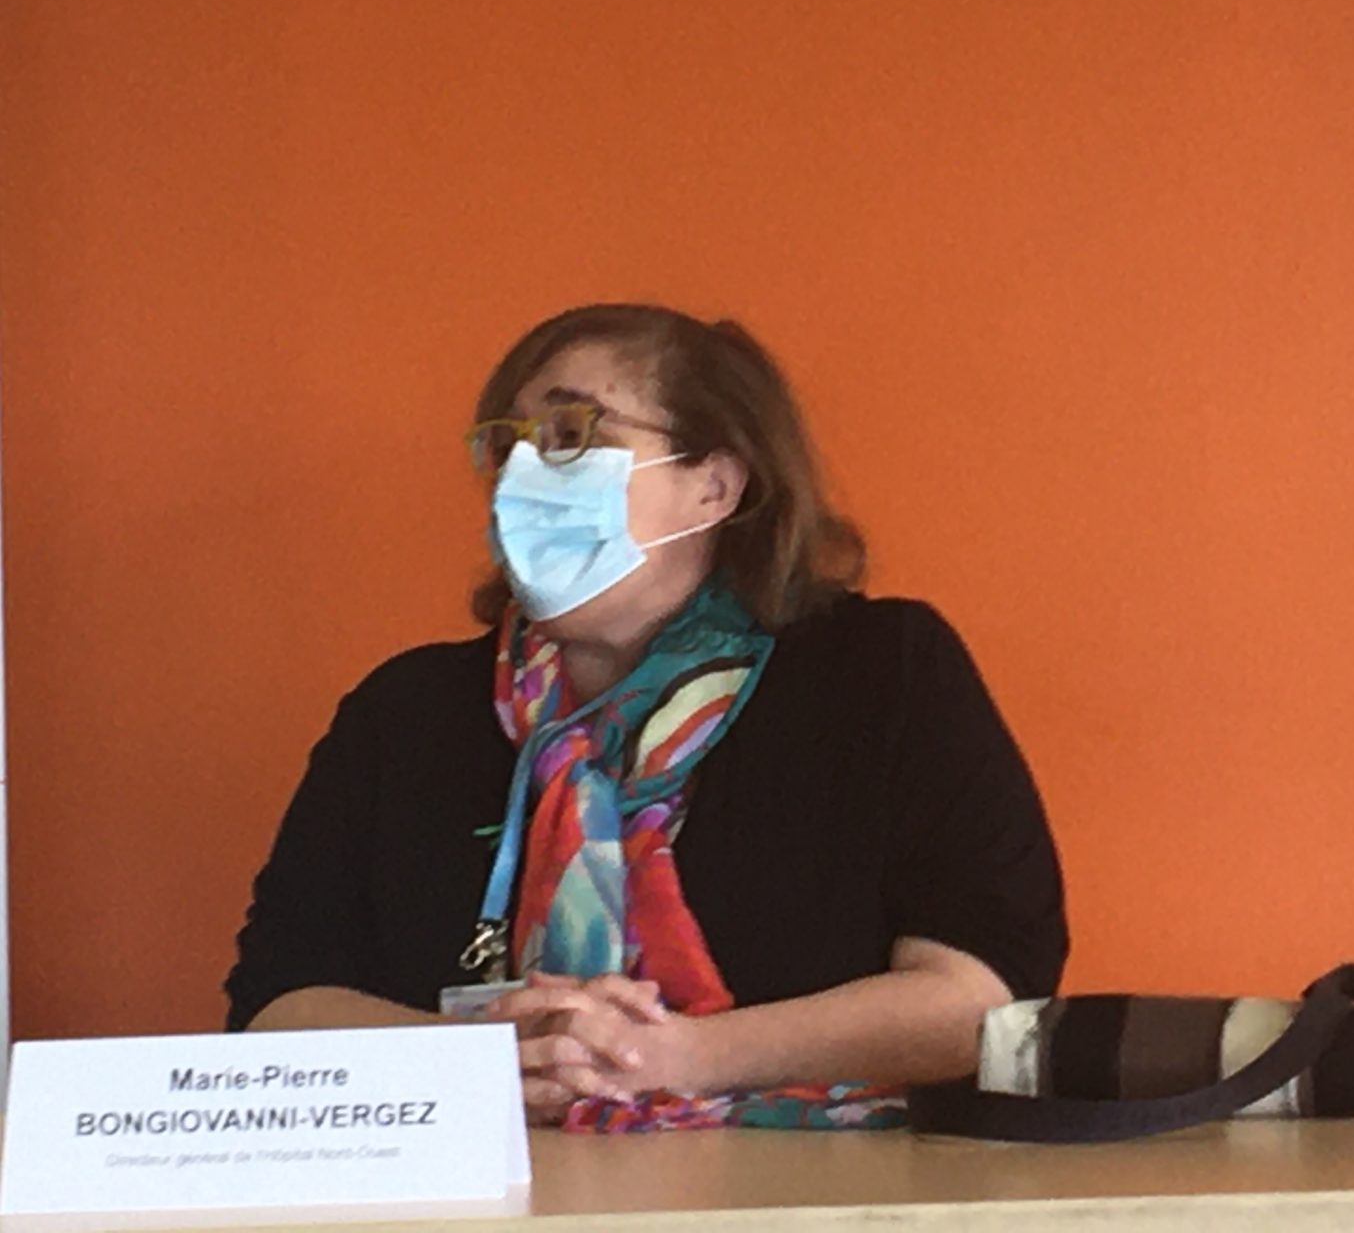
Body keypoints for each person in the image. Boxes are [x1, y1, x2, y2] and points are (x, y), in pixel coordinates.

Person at [227, 303, 1067, 1128]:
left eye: (570, 435)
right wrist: (477, 1062)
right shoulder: (406, 713)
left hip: (820, 1189)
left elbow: (983, 998)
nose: (524, 477)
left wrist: (673, 1056)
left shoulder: (881, 673)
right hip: (489, 1190)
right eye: (508, 447)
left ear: (714, 486)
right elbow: (276, 1003)